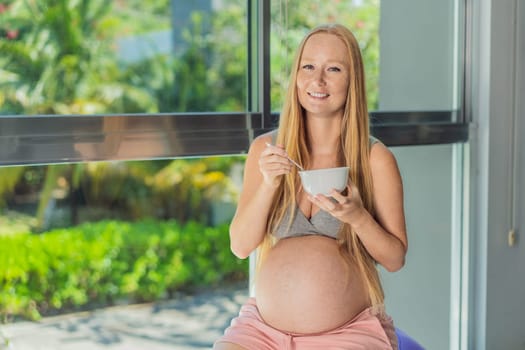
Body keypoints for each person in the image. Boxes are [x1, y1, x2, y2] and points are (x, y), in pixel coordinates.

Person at [214, 23, 407, 350]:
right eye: (308, 66)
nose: (318, 80)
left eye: (333, 68)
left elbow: (394, 259)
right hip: (261, 330)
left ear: (352, 81)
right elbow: (240, 246)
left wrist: (358, 217)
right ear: (296, 76)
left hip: (346, 333)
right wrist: (269, 185)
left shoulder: (374, 159)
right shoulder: (266, 150)